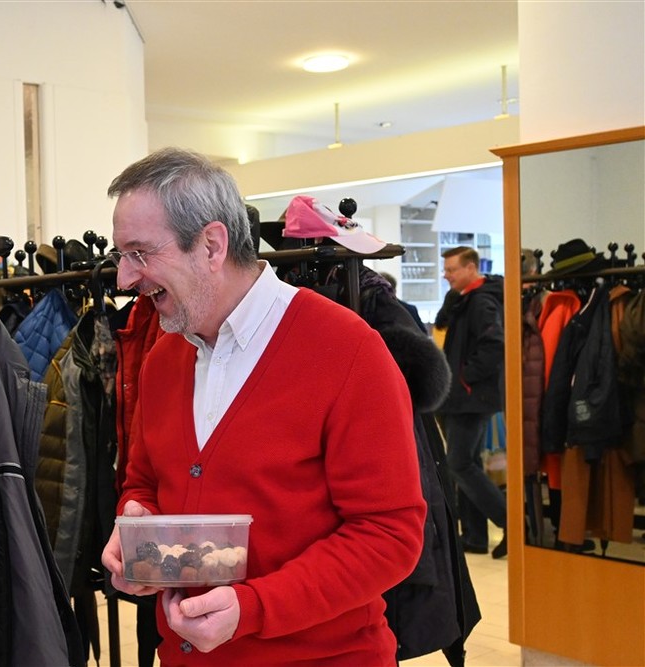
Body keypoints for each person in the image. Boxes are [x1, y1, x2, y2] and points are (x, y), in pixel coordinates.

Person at [99, 147, 427, 665]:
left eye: (139, 253)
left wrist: (253, 607)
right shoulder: (163, 357)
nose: (124, 279)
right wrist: (139, 536)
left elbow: (389, 535)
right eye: (122, 256)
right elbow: (144, 483)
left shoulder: (346, 349)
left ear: (211, 245)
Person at [435, 245, 507, 559]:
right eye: (446, 270)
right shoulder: (463, 299)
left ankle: (512, 524)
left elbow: (494, 345)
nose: (446, 275)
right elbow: (443, 327)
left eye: (452, 269)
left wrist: (465, 377)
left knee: (459, 463)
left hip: (470, 397)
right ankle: (475, 536)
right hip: (461, 397)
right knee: (469, 463)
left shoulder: (482, 301)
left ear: (471, 268)